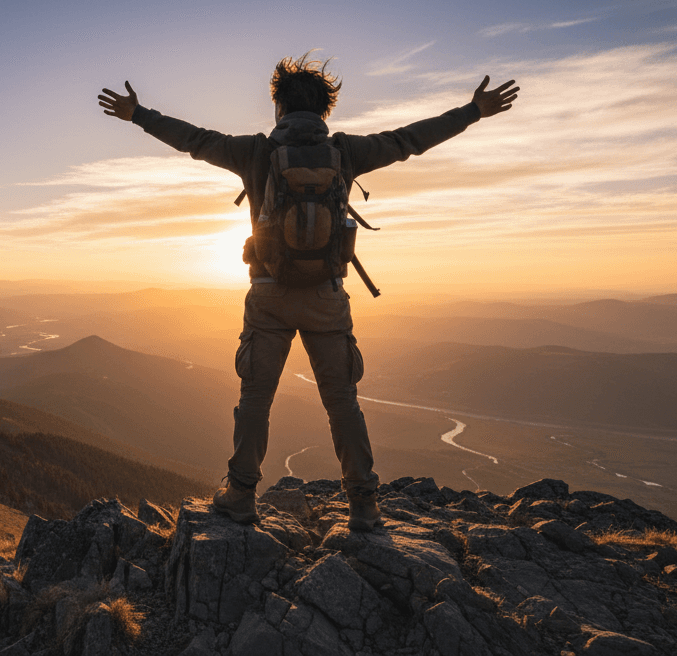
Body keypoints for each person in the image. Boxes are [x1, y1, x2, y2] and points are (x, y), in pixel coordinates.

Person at [98, 54, 518, 531]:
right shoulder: (346, 153)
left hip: (269, 295)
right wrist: (473, 111)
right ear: (326, 111)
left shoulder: (254, 153)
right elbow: (409, 141)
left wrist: (139, 115)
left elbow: (194, 141)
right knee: (342, 402)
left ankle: (239, 496)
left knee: (256, 398)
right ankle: (363, 504)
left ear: (277, 107)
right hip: (327, 298)